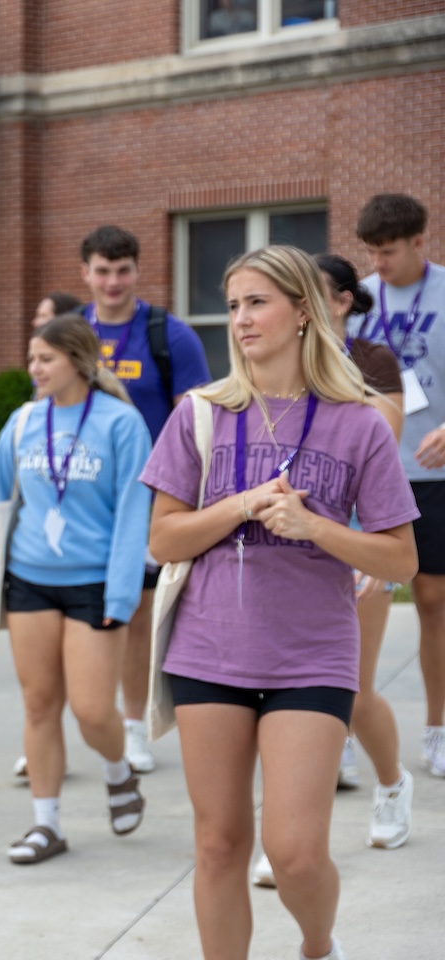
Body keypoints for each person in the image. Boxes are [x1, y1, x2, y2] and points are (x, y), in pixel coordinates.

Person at [141, 245, 419, 960]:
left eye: (256, 302)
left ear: (303, 311)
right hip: (208, 650)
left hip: (312, 656)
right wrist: (239, 505)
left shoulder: (357, 423)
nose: (240, 319)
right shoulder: (198, 414)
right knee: (219, 843)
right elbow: (165, 540)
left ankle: (318, 943)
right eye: (232, 305)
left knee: (294, 853)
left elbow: (400, 557)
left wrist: (314, 526)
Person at [251, 253, 411, 888]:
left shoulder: (371, 362)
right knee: (269, 692)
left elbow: (384, 441)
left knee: (357, 691)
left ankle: (393, 785)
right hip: (279, 553)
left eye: (304, 292)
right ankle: (284, 837)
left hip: (354, 540)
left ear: (339, 301)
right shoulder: (267, 367)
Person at [0, 313, 153, 865]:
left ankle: (118, 773)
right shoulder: (25, 422)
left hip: (95, 584)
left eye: (45, 358)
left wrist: (123, 594)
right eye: (32, 358)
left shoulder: (122, 424)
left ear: (77, 360)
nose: (34, 368)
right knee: (40, 703)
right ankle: (46, 824)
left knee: (96, 711)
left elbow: (133, 513)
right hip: (29, 580)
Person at [80, 225, 212, 774]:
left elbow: (194, 419)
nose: (113, 281)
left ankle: (133, 726)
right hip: (80, 497)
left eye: (123, 270)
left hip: (146, 496)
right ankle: (73, 726)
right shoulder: (72, 335)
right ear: (85, 273)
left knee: (134, 615)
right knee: (73, 614)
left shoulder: (169, 334)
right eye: (102, 271)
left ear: (137, 270)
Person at [352, 193, 445, 779]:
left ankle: (438, 728)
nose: (379, 265)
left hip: (434, 473)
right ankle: (345, 727)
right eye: (372, 254)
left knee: (435, 602)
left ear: (419, 241)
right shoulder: (360, 300)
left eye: (389, 252)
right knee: (356, 601)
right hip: (374, 476)